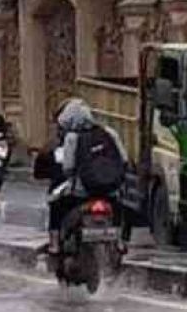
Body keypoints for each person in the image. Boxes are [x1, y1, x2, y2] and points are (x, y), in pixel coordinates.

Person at [44, 98, 128, 254]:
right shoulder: (109, 132)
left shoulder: (72, 138)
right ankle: (120, 240)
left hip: (82, 192)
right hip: (110, 188)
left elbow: (68, 167)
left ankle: (54, 243)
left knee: (55, 205)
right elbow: (124, 159)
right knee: (119, 206)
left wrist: (73, 178)